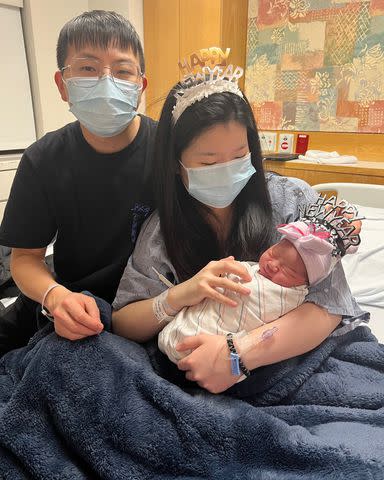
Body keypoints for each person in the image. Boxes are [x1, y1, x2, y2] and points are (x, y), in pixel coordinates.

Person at [111, 59, 365, 394]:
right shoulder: (162, 231)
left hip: (289, 359)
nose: (226, 170)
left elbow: (330, 305)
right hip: (194, 371)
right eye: (209, 162)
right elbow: (124, 322)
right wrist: (178, 295)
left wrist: (238, 356)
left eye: (239, 155)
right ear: (175, 165)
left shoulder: (293, 203)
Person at [0, 10, 157, 356]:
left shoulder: (169, 151)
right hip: (69, 301)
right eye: (87, 68)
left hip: (150, 308)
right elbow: (25, 258)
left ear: (140, 86)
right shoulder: (42, 159)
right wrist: (55, 297)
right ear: (62, 85)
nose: (106, 81)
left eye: (122, 70)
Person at [157, 209, 361, 366]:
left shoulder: (289, 296)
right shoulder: (252, 269)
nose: (272, 264)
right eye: (273, 253)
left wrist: (238, 354)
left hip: (209, 351)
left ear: (303, 283)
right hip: (177, 332)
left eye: (287, 270)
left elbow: (331, 307)